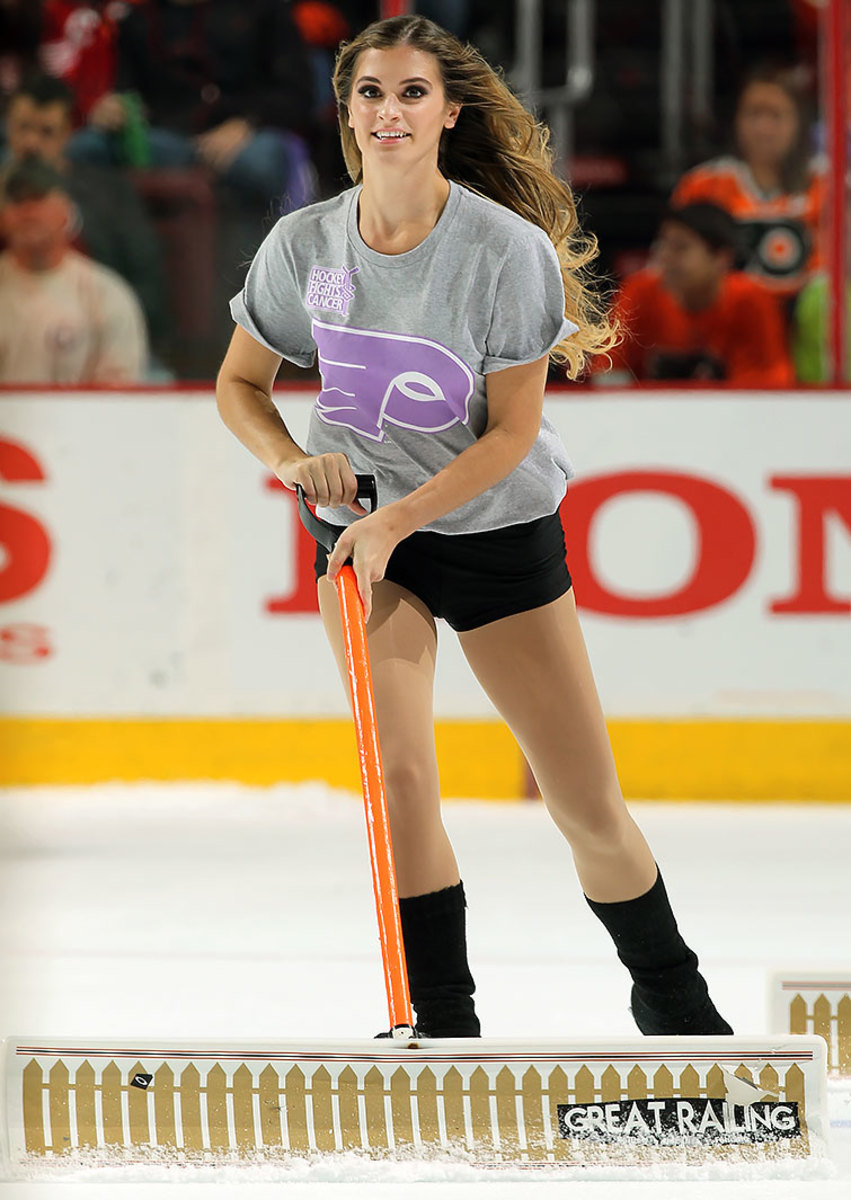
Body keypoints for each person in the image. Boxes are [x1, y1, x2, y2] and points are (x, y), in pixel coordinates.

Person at [216, 15, 733, 1039]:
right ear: (345, 110)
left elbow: (509, 438)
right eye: (370, 93)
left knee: (581, 803)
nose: (388, 112)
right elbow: (240, 384)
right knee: (399, 777)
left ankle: (677, 1006)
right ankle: (444, 1026)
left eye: (411, 93)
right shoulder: (305, 245)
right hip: (362, 539)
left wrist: (402, 517)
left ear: (448, 112)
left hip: (492, 537)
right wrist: (290, 462)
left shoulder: (501, 251)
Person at [69, 0, 316, 214]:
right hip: (165, 141)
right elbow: (125, 90)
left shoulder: (262, 11)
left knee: (260, 163)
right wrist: (113, 109)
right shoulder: (138, 19)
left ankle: (250, 263)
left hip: (244, 138)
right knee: (85, 148)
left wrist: (246, 123)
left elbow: (298, 94)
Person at [3, 73, 168, 349]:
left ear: (68, 133)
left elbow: (149, 289)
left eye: (46, 132)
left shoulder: (111, 194)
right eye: (23, 128)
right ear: (8, 127)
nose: (31, 143)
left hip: (102, 340)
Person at [671, 65, 825, 307]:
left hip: (805, 323)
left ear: (799, 121)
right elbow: (671, 270)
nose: (763, 128)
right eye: (753, 114)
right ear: (737, 119)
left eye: (776, 115)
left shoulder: (829, 185)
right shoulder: (702, 186)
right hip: (725, 321)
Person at [597, 203, 795, 386]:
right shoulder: (639, 292)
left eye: (680, 248)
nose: (664, 257)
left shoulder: (752, 300)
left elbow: (770, 386)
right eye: (663, 244)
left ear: (721, 258)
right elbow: (606, 370)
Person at [0, 157, 147, 383]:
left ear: (66, 211)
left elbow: (118, 399)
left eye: (38, 198)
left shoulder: (105, 293)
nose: (27, 211)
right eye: (18, 200)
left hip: (80, 418)